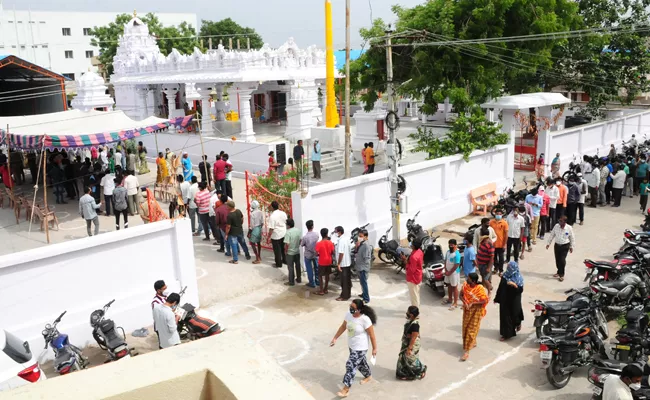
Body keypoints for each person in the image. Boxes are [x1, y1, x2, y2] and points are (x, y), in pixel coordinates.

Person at [330, 299, 377, 398]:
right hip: (352, 345)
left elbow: (372, 335)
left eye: (353, 308)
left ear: (359, 310)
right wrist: (335, 338)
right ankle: (368, 376)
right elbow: (343, 326)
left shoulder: (365, 320)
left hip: (361, 347)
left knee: (350, 365)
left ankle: (346, 389)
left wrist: (374, 349)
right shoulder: (348, 315)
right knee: (360, 363)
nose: (351, 309)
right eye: (350, 307)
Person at [459, 272, 489, 361]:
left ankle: (466, 351)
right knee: (465, 328)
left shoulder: (480, 289)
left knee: (471, 330)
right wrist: (465, 302)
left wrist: (473, 303)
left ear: (473, 281)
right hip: (467, 310)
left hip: (476, 311)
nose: (467, 280)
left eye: (468, 279)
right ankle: (472, 342)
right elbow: (461, 295)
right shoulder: (465, 285)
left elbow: (484, 301)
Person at [495, 261, 525, 341]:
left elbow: (520, 290)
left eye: (510, 268)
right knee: (505, 317)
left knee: (515, 314)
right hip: (505, 300)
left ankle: (518, 324)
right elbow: (500, 287)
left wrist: (514, 285)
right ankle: (506, 334)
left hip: (514, 300)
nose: (508, 269)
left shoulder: (518, 278)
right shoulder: (505, 276)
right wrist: (497, 298)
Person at [396, 305, 427, 381]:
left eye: (408, 312)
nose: (406, 313)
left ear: (412, 315)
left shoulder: (415, 325)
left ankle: (421, 370)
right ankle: (404, 373)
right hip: (406, 342)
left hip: (411, 344)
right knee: (403, 359)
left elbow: (414, 337)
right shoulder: (410, 321)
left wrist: (409, 348)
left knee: (411, 360)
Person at [546, 215, 576, 282]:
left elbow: (572, 238)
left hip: (565, 246)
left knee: (562, 260)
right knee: (557, 260)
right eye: (559, 220)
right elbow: (552, 235)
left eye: (561, 221)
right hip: (557, 245)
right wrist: (548, 243)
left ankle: (561, 275)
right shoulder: (556, 226)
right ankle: (559, 271)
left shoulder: (569, 228)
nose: (559, 222)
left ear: (565, 222)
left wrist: (571, 247)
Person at [315, 228, 335, 296]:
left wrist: (319, 254)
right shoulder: (330, 243)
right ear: (327, 234)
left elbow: (316, 253)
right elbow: (333, 252)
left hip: (322, 261)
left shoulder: (319, 243)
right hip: (329, 261)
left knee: (320, 275)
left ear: (321, 235)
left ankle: (321, 290)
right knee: (327, 275)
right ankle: (325, 289)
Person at [404, 239, 423, 308]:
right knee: (416, 294)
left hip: (413, 278)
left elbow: (411, 270)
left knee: (414, 297)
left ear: (414, 246)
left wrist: (406, 262)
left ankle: (415, 312)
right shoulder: (419, 251)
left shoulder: (414, 257)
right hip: (418, 276)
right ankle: (416, 308)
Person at [443, 239, 461, 310]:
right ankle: (450, 299)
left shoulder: (457, 254)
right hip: (448, 272)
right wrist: (446, 270)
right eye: (449, 244)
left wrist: (449, 272)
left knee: (455, 287)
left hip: (454, 273)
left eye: (452, 244)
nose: (450, 246)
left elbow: (456, 265)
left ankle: (455, 302)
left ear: (455, 245)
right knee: (449, 285)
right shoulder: (447, 252)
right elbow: (445, 260)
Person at [301, 220, 320, 288]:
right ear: (312, 226)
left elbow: (302, 244)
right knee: (317, 268)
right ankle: (318, 282)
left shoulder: (305, 237)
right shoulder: (316, 234)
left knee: (309, 269)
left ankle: (312, 283)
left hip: (308, 255)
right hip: (315, 253)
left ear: (307, 227)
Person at [335, 226, 352, 301]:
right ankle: (348, 294)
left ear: (339, 232)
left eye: (336, 231)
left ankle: (344, 296)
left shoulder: (341, 240)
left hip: (343, 264)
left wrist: (338, 264)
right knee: (347, 280)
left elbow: (341, 253)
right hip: (348, 263)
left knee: (344, 281)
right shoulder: (346, 238)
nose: (335, 233)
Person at [268, 201, 288, 268]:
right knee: (283, 248)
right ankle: (285, 260)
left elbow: (271, 228)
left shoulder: (272, 216)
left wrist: (268, 237)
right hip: (283, 233)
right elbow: (286, 221)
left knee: (277, 250)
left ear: (272, 207)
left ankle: (278, 264)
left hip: (276, 235)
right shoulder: (283, 213)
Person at [355, 229, 372, 303]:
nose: (359, 237)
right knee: (362, 283)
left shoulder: (366, 245)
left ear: (366, 237)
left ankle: (366, 298)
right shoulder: (361, 243)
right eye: (359, 236)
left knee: (364, 283)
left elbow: (367, 258)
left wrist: (365, 269)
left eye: (361, 236)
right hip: (359, 266)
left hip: (363, 268)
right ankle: (363, 294)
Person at [284, 218, 302, 285]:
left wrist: (285, 251)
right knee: (297, 265)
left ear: (288, 225)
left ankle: (291, 281)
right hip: (297, 251)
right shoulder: (298, 230)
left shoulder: (288, 232)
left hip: (290, 252)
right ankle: (299, 279)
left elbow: (287, 244)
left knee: (290, 267)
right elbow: (300, 240)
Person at [489, 209, 508, 274]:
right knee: (494, 257)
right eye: (497, 214)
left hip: (501, 244)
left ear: (502, 215)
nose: (498, 215)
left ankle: (501, 270)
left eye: (500, 214)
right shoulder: (491, 222)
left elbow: (506, 234)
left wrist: (504, 244)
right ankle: (495, 268)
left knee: (501, 258)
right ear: (495, 214)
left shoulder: (504, 223)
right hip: (493, 243)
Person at [476, 230, 495, 295]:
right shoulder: (483, 241)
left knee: (486, 279)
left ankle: (490, 289)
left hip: (486, 264)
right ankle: (483, 291)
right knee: (483, 277)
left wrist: (489, 267)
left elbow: (492, 256)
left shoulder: (489, 243)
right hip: (481, 263)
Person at [151, 280, 169, 349]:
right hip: (161, 326)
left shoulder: (165, 296)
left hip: (168, 323)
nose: (166, 290)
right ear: (158, 291)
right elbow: (158, 315)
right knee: (164, 345)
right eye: (164, 289)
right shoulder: (156, 302)